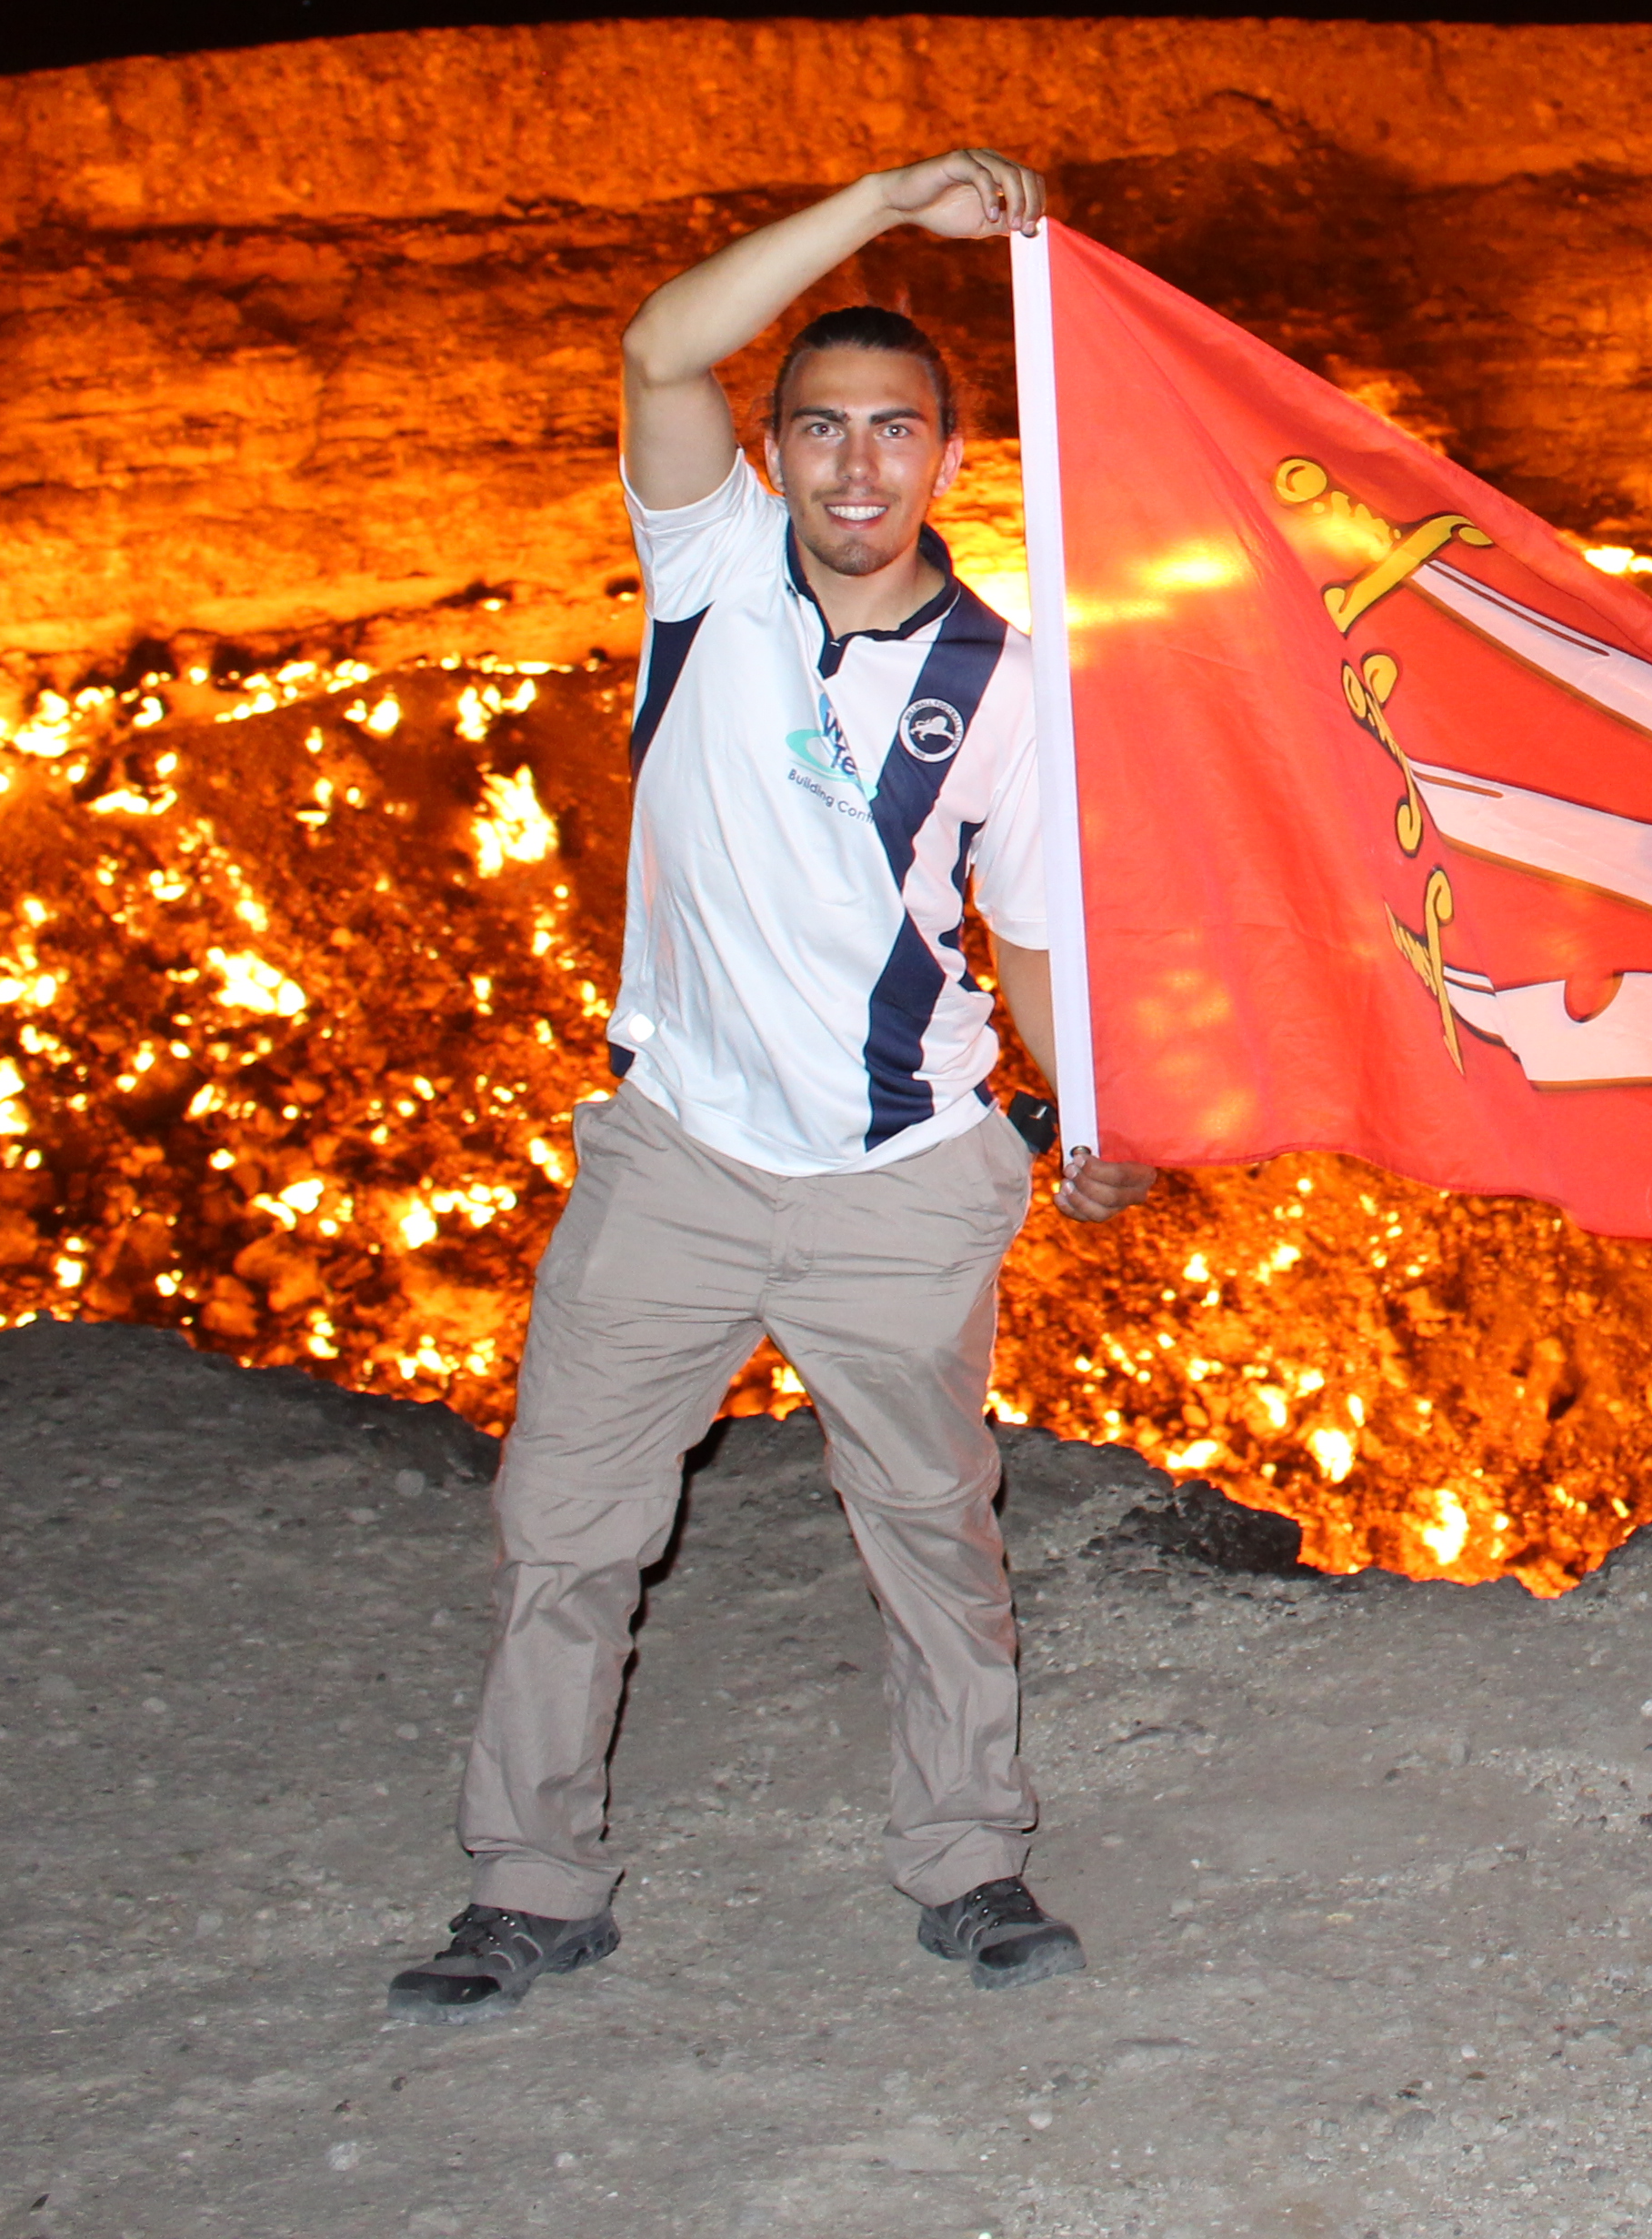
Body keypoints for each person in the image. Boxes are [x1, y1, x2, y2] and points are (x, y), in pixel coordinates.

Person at [389, 146, 1155, 2023]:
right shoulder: (712, 575)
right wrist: (890, 199)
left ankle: (970, 1858)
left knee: (930, 1530)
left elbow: (1031, 933)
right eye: (820, 428)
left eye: (897, 431)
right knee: (570, 1530)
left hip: (903, 1176)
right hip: (680, 1164)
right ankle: (532, 1882)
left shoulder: (1011, 679)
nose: (855, 466)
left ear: (951, 464)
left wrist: (1088, 1123)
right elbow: (663, 342)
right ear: (780, 455)